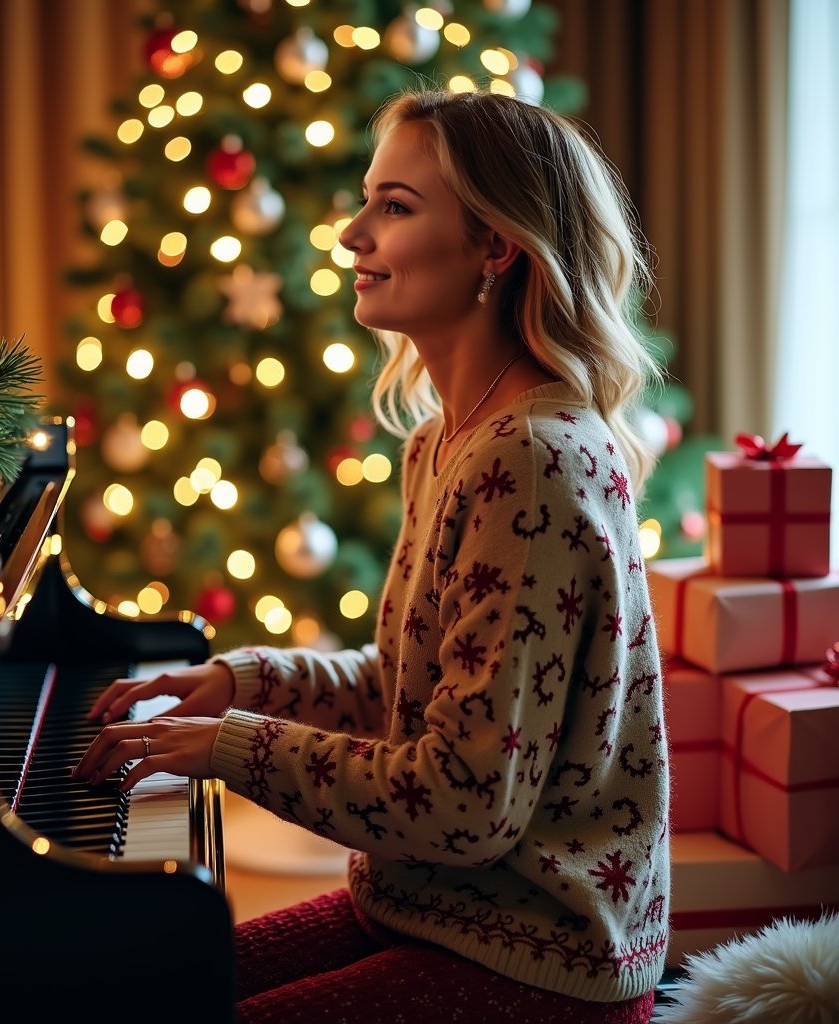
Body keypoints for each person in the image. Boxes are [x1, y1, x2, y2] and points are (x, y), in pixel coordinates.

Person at [73, 87, 669, 1023]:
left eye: (394, 206)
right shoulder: (448, 440)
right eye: (367, 201)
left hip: (537, 960)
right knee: (138, 986)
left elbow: (466, 798)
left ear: (496, 246)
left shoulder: (532, 459)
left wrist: (228, 751)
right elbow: (414, 691)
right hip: (431, 909)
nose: (351, 234)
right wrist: (239, 682)